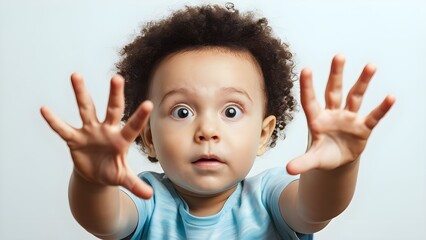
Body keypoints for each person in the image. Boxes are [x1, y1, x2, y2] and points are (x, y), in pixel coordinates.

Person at [40, 3, 395, 240]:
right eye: (182, 112)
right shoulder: (146, 199)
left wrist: (338, 168)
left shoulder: (268, 196)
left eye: (230, 112)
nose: (207, 131)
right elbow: (104, 220)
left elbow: (315, 209)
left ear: (263, 134)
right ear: (148, 137)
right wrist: (90, 181)